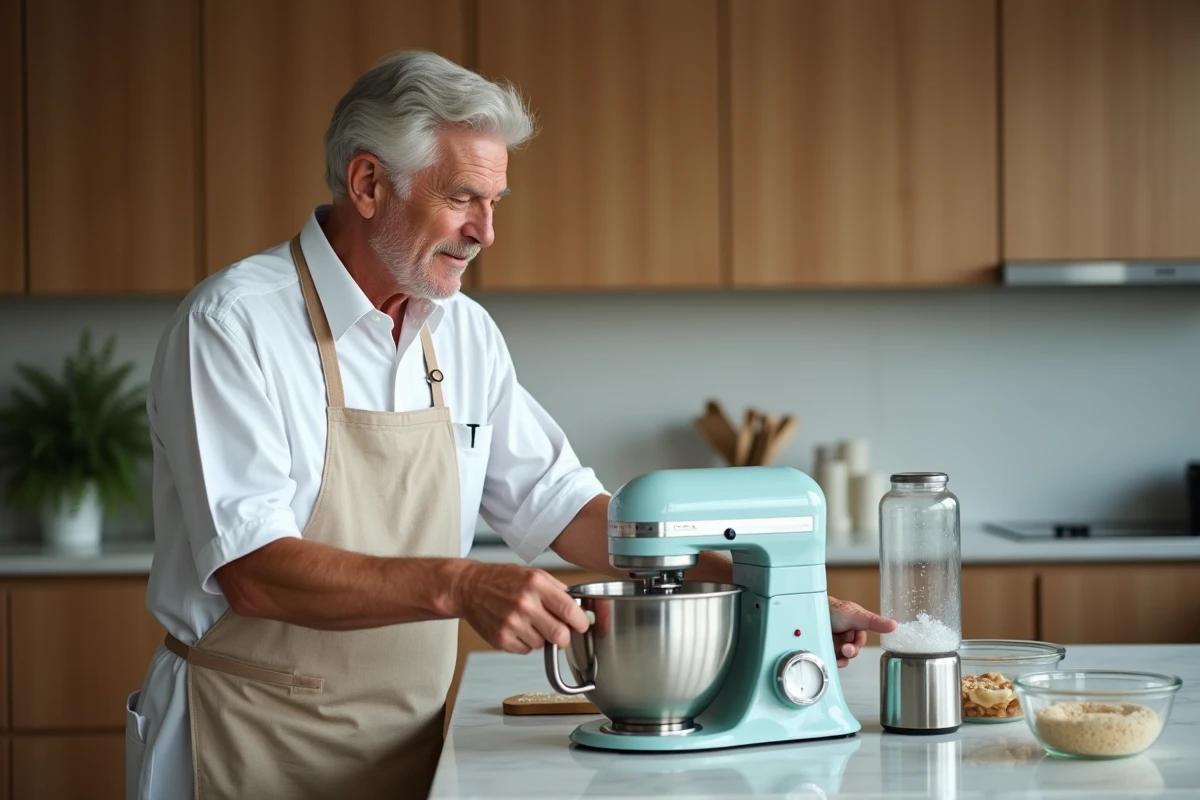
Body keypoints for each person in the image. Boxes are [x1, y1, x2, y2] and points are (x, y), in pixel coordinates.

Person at [125, 50, 896, 800]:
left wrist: (775, 601)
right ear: (367, 183)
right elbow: (252, 571)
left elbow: (564, 507)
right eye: (463, 197)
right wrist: (462, 584)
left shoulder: (462, 334)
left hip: (414, 743)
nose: (486, 232)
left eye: (494, 203)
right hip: (252, 743)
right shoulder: (234, 325)